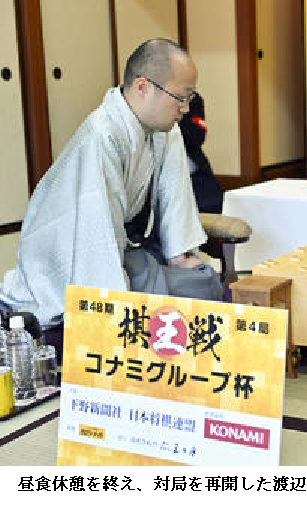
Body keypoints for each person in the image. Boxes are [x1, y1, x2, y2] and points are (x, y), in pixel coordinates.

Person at [0, 38, 223, 330]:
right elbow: (96, 237)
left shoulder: (165, 129)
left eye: (189, 98)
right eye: (180, 98)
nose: (185, 108)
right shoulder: (102, 135)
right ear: (143, 87)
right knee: (167, 296)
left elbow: (175, 195)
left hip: (124, 248)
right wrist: (114, 301)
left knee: (203, 282)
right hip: (68, 257)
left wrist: (179, 255)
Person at [178, 92, 224, 214]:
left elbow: (198, 136)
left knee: (215, 205)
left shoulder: (192, 98)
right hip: (159, 178)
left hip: (195, 175)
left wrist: (177, 114)